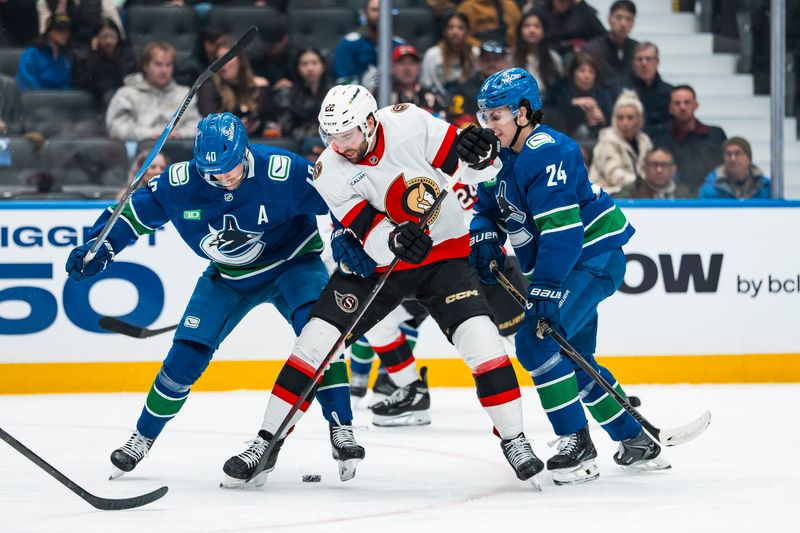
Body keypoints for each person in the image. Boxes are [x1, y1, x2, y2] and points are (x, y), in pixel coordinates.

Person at [222, 85, 545, 488]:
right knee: (314, 343)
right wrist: (392, 240)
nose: (339, 145)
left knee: (484, 344)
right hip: (382, 264)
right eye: (331, 136)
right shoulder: (329, 169)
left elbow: (470, 167)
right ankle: (266, 441)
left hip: (446, 256)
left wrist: (480, 154)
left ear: (370, 123)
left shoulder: (410, 121)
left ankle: (514, 439)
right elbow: (365, 228)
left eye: (347, 135)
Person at [64, 113, 363, 484]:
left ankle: (341, 427)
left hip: (295, 264)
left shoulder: (282, 171)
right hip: (228, 278)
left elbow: (343, 199)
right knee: (185, 357)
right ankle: (142, 436)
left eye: (231, 168)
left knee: (321, 336)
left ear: (245, 151)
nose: (225, 178)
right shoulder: (180, 182)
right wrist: (101, 245)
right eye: (213, 172)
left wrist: (346, 237)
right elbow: (131, 215)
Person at [470, 67, 670, 485]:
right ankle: (635, 440)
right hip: (566, 265)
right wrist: (485, 237)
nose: (488, 125)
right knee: (571, 359)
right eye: (484, 116)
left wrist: (545, 287)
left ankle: (576, 444)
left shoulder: (549, 151)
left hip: (591, 258)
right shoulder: (501, 155)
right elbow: (487, 205)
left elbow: (563, 231)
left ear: (523, 112)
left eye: (496, 116)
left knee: (534, 342)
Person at [105, 41, 201, 141]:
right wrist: (149, 134)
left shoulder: (184, 94)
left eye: (168, 65)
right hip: (140, 150)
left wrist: (179, 133)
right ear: (145, 66)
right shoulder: (126, 94)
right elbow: (115, 128)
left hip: (177, 150)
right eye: (158, 64)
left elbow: (197, 126)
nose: (164, 71)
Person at [197, 36, 278, 138]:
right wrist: (234, 127)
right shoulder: (209, 89)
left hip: (256, 140)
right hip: (225, 144)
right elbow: (210, 122)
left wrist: (257, 124)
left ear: (240, 60)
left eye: (228, 58)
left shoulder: (257, 86)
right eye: (219, 60)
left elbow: (270, 119)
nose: (224, 65)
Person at [653, 84, 727, 195]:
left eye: (687, 102)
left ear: (696, 105)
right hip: (676, 201)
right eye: (677, 103)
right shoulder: (661, 139)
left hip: (714, 198)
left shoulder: (716, 134)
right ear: (670, 108)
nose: (682, 107)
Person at [589, 89, 653, 195]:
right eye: (620, 118)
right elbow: (613, 174)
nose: (625, 122)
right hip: (607, 195)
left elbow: (649, 169)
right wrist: (644, 183)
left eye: (630, 117)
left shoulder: (644, 140)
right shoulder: (607, 139)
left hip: (636, 193)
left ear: (639, 119)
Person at [332, 0, 404, 87]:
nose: (380, 14)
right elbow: (344, 84)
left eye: (384, 9)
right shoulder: (349, 44)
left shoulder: (400, 45)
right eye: (375, 10)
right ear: (365, 14)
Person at [274, 48, 331, 156]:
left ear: (323, 66)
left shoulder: (333, 92)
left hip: (328, 138)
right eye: (304, 64)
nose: (310, 68)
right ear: (298, 69)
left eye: (314, 63)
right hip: (299, 141)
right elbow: (286, 125)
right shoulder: (288, 93)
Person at [544, 51, 613, 141]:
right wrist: (573, 104)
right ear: (573, 73)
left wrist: (601, 121)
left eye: (591, 72)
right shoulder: (558, 90)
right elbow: (551, 116)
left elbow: (610, 125)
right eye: (582, 71)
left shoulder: (602, 96)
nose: (587, 76)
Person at [445, 40, 509, 128]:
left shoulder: (512, 88)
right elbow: (457, 120)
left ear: (504, 62)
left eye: (496, 59)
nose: (491, 63)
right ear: (478, 61)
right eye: (487, 59)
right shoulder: (463, 89)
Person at [73, 19, 137, 107]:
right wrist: (94, 55)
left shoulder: (127, 55)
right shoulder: (88, 55)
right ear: (96, 38)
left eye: (113, 36)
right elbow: (82, 82)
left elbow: (127, 79)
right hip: (98, 103)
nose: (108, 41)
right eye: (104, 36)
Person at [584, 0, 638, 91]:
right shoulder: (593, 50)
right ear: (609, 19)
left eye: (629, 19)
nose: (623, 24)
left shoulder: (638, 50)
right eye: (618, 17)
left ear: (633, 23)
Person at [420, 12, 477, 98]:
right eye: (450, 27)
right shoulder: (432, 54)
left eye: (460, 27)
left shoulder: (475, 53)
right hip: (438, 103)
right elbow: (426, 84)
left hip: (469, 103)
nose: (455, 32)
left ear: (467, 31)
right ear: (444, 31)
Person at [625, 42, 673, 138]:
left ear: (657, 62)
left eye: (648, 59)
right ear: (633, 63)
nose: (644, 63)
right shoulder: (621, 91)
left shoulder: (670, 92)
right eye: (639, 59)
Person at [510, 11, 563, 99]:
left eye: (537, 26)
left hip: (547, 105)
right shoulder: (511, 57)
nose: (532, 30)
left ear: (544, 32)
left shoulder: (553, 58)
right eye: (527, 26)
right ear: (520, 31)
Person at [699, 137, 770, 200]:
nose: (733, 158)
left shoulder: (766, 187)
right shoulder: (709, 189)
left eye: (738, 153)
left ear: (748, 159)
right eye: (728, 154)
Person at [15, 14, 73, 91]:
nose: (65, 34)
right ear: (49, 32)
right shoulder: (32, 53)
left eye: (67, 30)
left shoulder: (65, 57)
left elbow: (65, 85)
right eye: (60, 30)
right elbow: (27, 82)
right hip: (33, 99)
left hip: (58, 100)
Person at [389, 44, 447, 116]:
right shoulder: (382, 96)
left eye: (412, 63)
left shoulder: (431, 98)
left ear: (418, 67)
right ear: (392, 67)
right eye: (401, 63)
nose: (407, 69)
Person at [616, 146, 691, 199]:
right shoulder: (632, 190)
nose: (659, 170)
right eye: (654, 165)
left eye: (664, 165)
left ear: (673, 170)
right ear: (644, 169)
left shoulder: (684, 193)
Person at [457, 0, 522, 48]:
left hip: (507, 51)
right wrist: (481, 46)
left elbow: (520, 31)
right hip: (477, 51)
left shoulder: (510, 6)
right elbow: (461, 35)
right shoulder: (468, 7)